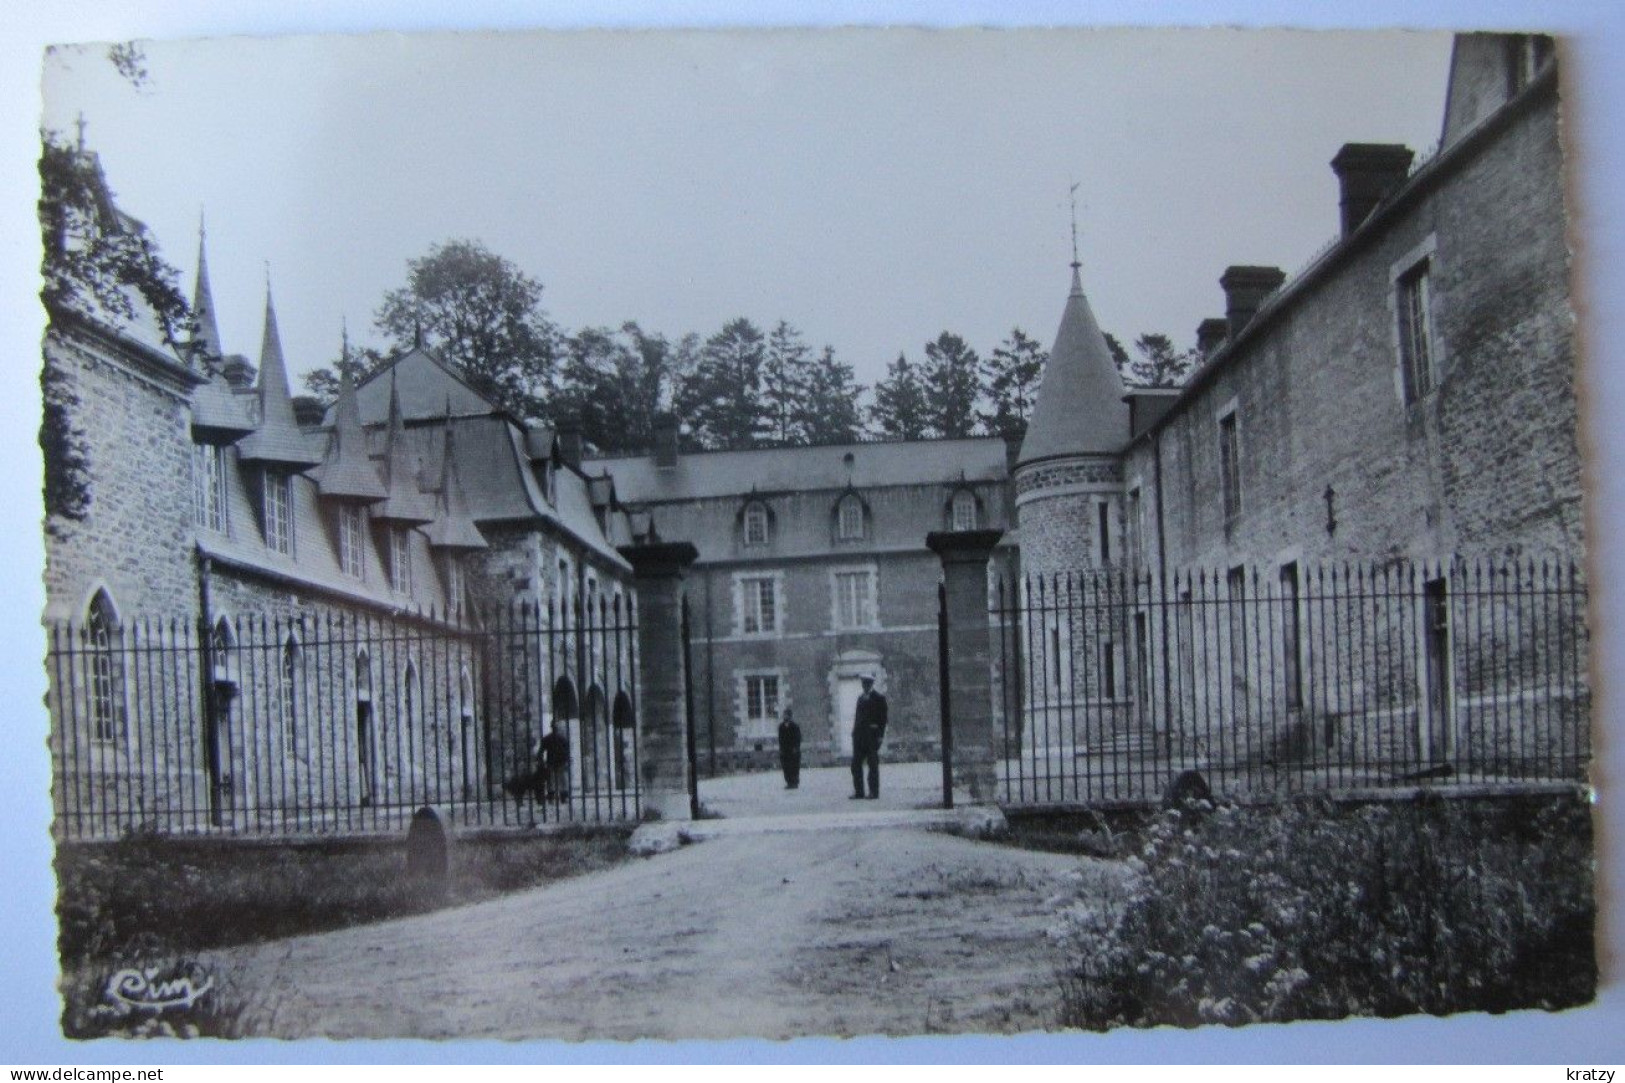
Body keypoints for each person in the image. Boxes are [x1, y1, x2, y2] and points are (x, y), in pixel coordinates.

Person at [849, 674, 888, 800]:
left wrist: (880, 736)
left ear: (871, 684)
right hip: (859, 738)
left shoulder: (879, 698)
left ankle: (873, 792)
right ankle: (859, 791)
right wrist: (854, 733)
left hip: (872, 737)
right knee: (855, 765)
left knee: (873, 765)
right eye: (863, 684)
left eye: (867, 684)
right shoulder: (860, 698)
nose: (864, 686)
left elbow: (883, 719)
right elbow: (857, 718)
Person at [540, 718, 572, 803]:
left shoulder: (547, 738)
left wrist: (540, 760)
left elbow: (541, 751)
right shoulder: (563, 738)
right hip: (560, 761)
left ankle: (552, 796)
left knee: (552, 780)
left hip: (552, 761)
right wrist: (567, 760)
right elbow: (567, 751)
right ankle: (563, 796)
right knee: (562, 779)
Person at [777, 708, 802, 789]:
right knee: (786, 767)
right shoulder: (781, 727)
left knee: (794, 767)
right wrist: (781, 749)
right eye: (784, 715)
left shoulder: (795, 726)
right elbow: (780, 739)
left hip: (793, 750)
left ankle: (794, 782)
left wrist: (796, 748)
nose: (785, 717)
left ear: (790, 716)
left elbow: (798, 738)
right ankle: (788, 782)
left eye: (787, 715)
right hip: (785, 750)